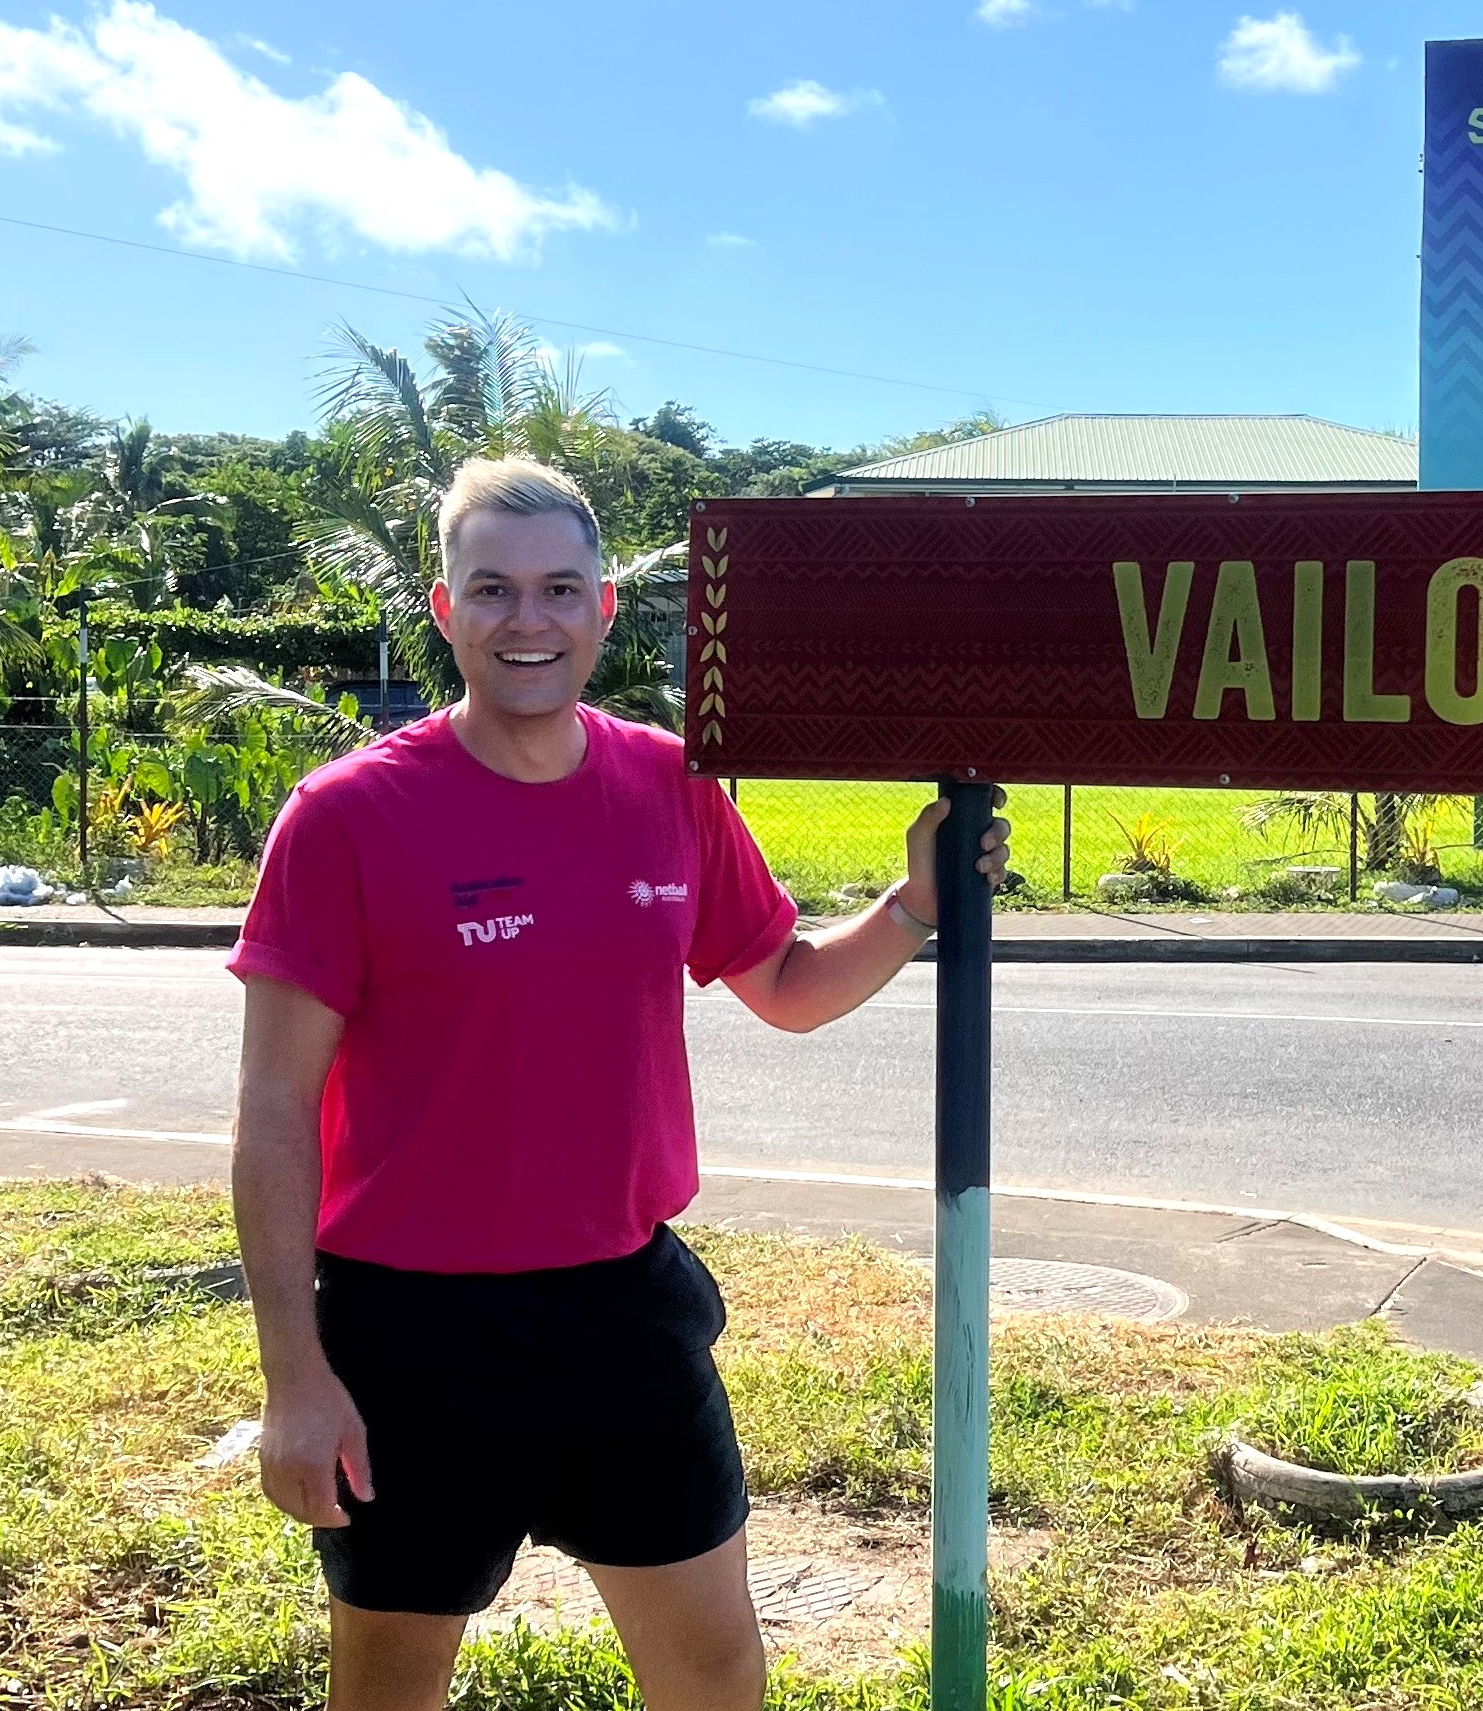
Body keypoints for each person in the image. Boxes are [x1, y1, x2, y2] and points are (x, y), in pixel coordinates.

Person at [227, 457, 1010, 1711]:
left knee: (713, 1671)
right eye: (492, 589)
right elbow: (273, 1114)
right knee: (389, 1688)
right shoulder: (347, 819)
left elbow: (789, 986)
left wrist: (918, 900)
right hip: (411, 1332)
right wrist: (295, 1379)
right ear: (445, 609)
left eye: (556, 589)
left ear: (601, 608)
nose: (525, 621)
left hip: (624, 1316)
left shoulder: (669, 786)